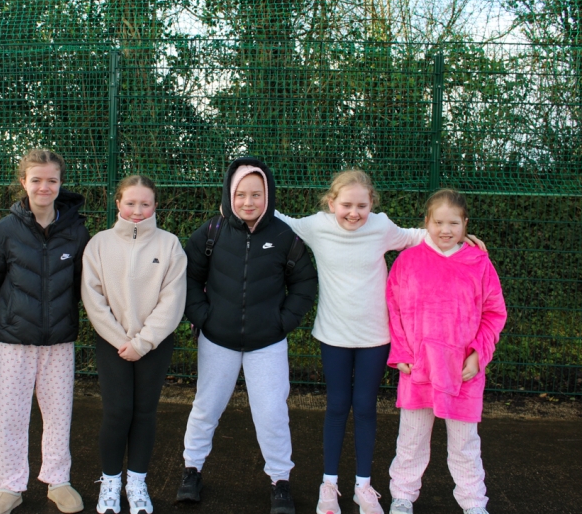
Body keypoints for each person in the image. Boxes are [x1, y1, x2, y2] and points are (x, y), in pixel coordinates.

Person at [274, 171, 487, 514]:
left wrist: (462, 240)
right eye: (346, 205)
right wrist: (236, 202)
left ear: (372, 203)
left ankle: (363, 486)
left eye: (362, 205)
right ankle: (329, 485)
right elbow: (278, 219)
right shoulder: (315, 226)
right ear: (331, 203)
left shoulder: (382, 227)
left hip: (375, 337)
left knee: (365, 407)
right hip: (333, 336)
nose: (353, 212)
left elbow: (421, 235)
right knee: (337, 406)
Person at [175, 157, 318, 514]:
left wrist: (282, 322)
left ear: (268, 195)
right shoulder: (212, 231)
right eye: (241, 194)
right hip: (217, 340)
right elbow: (188, 277)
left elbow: (304, 283)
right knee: (206, 408)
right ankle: (191, 470)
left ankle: (280, 481)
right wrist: (203, 317)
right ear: (229, 194)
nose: (248, 202)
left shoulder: (283, 236)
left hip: (267, 344)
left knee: (271, 413)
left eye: (256, 194)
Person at [0, 149, 90, 514]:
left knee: (58, 414)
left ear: (60, 183)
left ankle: (58, 481)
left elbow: (82, 283)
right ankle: (10, 486)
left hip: (60, 341)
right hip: (16, 342)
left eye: (52, 180)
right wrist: (10, 317)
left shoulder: (76, 231)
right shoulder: (5, 230)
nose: (44, 187)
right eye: (37, 180)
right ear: (23, 182)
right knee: (11, 417)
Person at [385, 189, 506, 514]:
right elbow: (393, 309)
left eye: (454, 223)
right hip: (418, 370)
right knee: (411, 440)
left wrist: (478, 355)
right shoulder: (407, 261)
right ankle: (402, 496)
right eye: (438, 222)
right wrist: (401, 353)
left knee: (465, 445)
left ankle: (474, 503)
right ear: (426, 222)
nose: (446, 229)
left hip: (462, 373)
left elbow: (494, 313)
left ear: (465, 223)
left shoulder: (479, 262)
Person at [81, 175, 187, 514]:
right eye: (130, 203)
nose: (137, 210)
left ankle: (137, 483)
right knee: (116, 413)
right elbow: (93, 298)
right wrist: (121, 340)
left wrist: (143, 343)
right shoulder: (99, 244)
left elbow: (173, 300)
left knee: (144, 413)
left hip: (154, 345)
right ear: (118, 203)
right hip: (111, 344)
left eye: (145, 204)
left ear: (155, 205)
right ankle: (111, 483)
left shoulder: (170, 245)